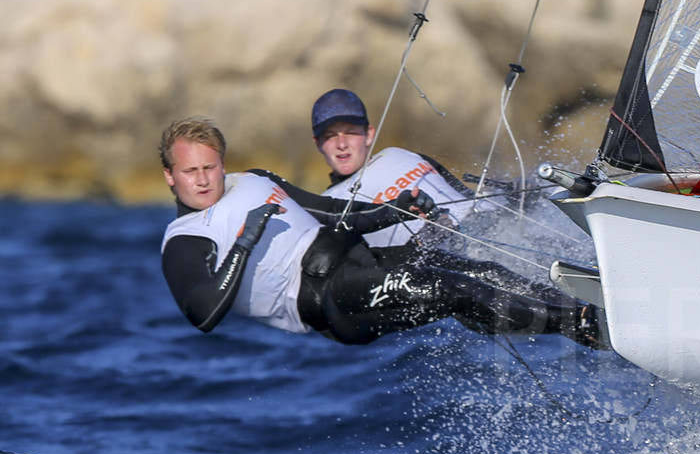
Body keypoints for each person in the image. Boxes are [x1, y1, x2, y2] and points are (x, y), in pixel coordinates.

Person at [158, 116, 604, 347]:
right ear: (169, 176)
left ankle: (581, 314)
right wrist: (244, 242)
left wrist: (394, 210)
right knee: (452, 288)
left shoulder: (254, 179)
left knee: (478, 273)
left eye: (209, 167)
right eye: (190, 171)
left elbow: (333, 212)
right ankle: (583, 326)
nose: (202, 180)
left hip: (362, 260)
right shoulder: (186, 237)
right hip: (330, 298)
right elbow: (202, 314)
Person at [310, 88, 478, 252]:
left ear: (369, 135)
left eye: (350, 133)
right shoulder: (326, 209)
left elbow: (467, 195)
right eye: (330, 136)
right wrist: (418, 244)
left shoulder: (401, 154)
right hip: (438, 261)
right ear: (318, 143)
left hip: (484, 224)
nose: (341, 145)